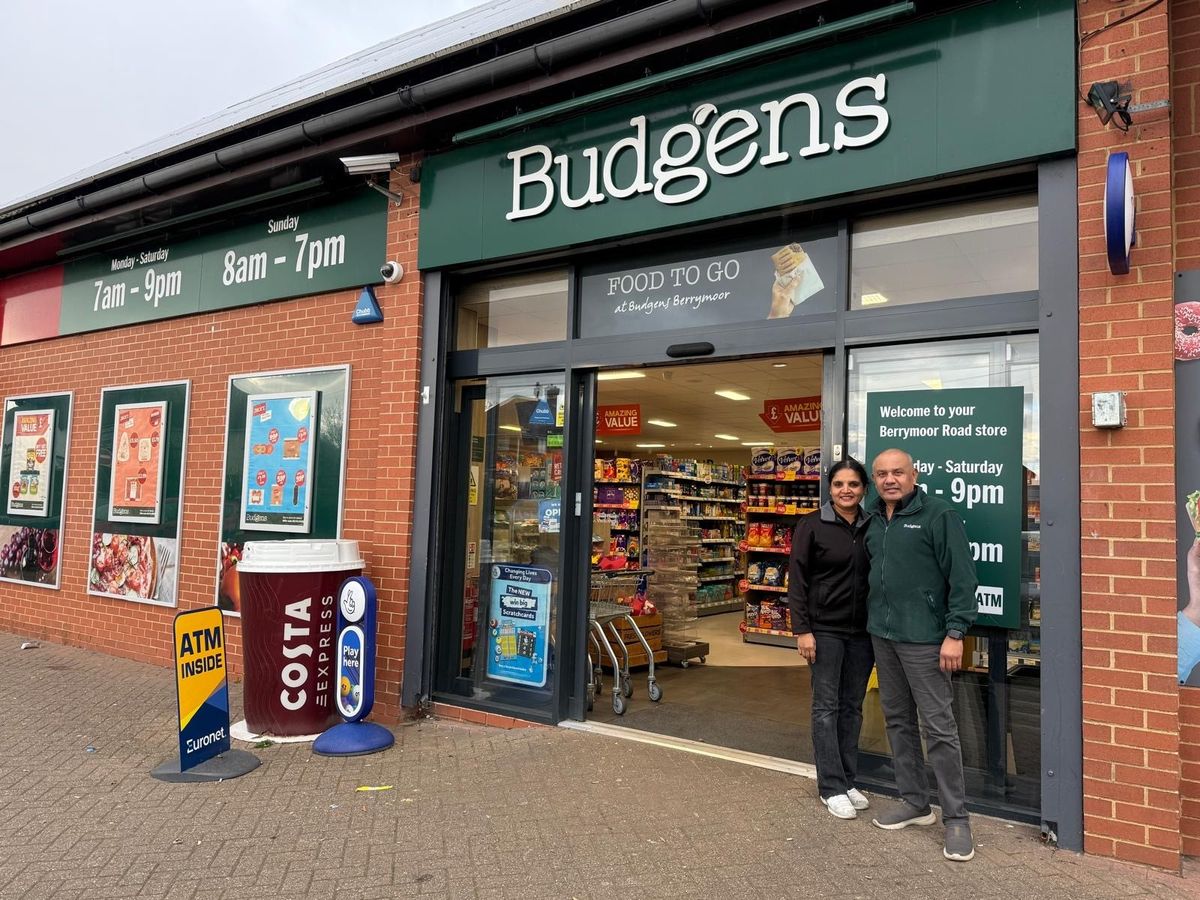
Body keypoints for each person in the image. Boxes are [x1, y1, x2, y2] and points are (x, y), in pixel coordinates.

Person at [865, 448, 979, 862]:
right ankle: (915, 802)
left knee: (939, 728)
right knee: (897, 721)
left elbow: (963, 577)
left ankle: (957, 819)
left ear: (914, 475)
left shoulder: (938, 515)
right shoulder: (873, 517)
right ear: (874, 479)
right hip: (884, 635)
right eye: (881, 474)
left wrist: (955, 632)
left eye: (897, 472)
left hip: (927, 639)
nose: (889, 479)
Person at [787, 458, 874, 820]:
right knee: (826, 707)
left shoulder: (873, 525)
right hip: (824, 630)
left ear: (863, 489)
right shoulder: (812, 525)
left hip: (862, 632)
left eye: (853, 484)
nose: (846, 490)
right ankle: (831, 787)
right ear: (830, 488)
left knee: (852, 706)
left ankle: (848, 780)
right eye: (839, 484)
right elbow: (798, 580)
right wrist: (802, 630)